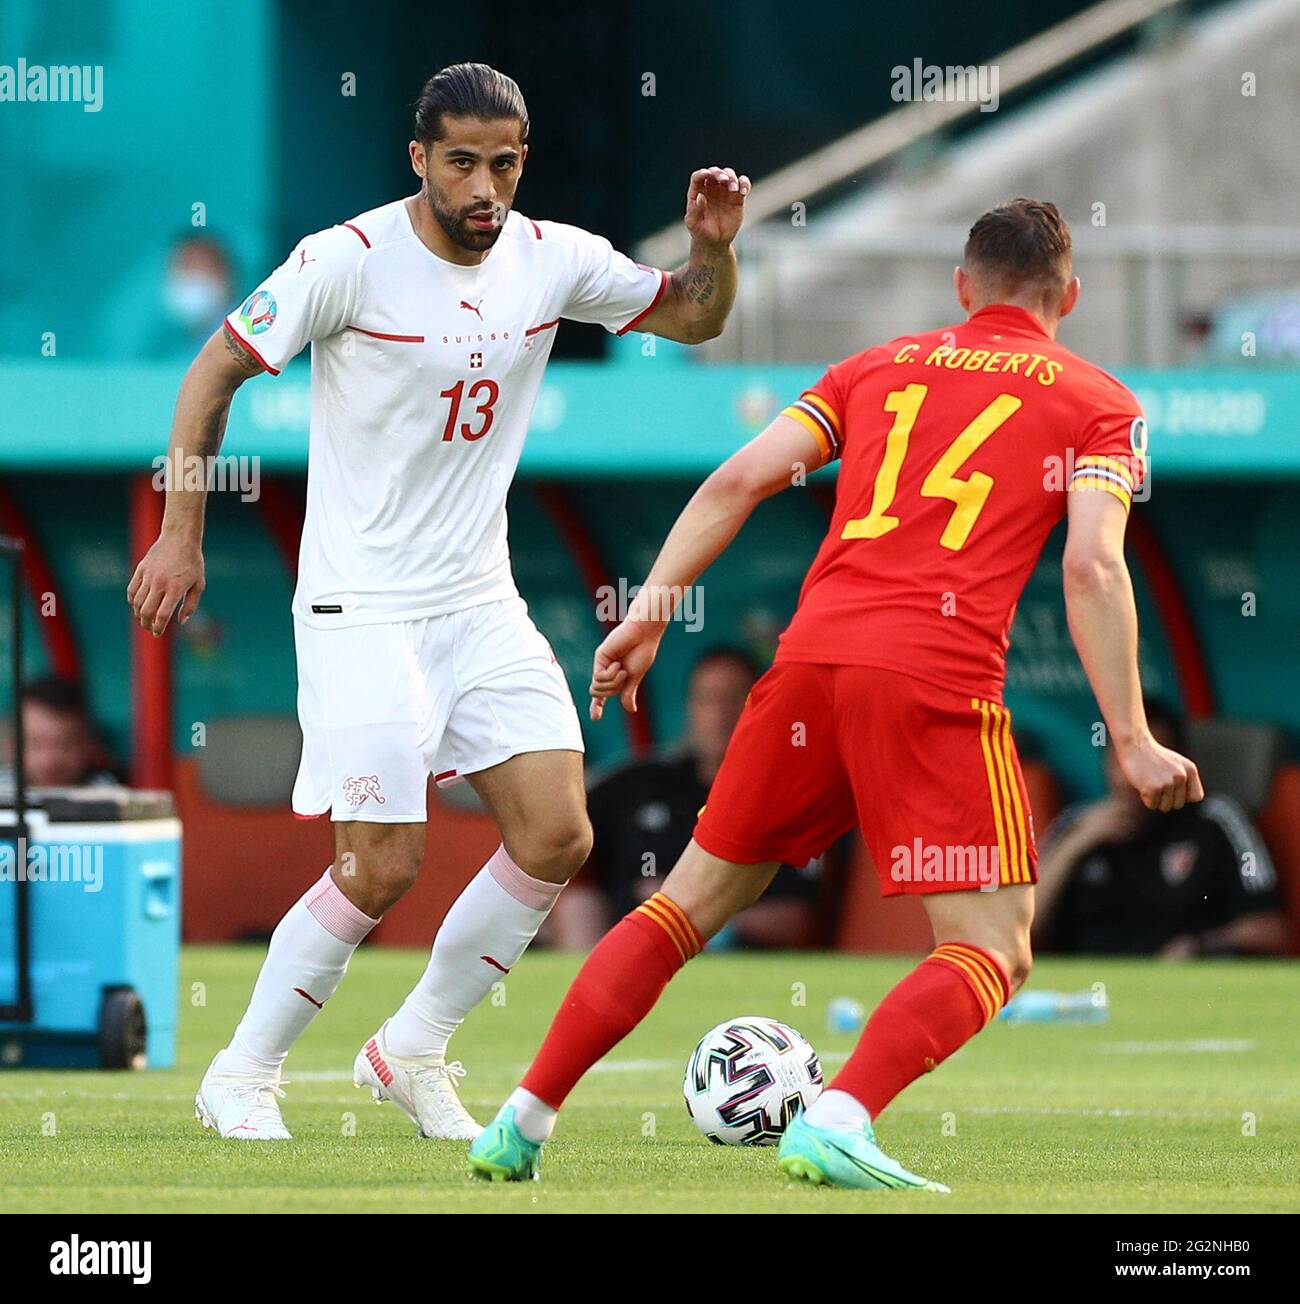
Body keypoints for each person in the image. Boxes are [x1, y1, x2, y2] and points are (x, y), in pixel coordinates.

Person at [468, 197, 1204, 1190]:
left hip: (808, 669)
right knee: (992, 949)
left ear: (960, 288)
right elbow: (1091, 569)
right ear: (1067, 295)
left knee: (683, 904)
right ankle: (843, 1113)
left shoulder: (875, 366)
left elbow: (735, 480)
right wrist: (1131, 736)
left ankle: (521, 1116)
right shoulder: (1099, 402)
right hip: (932, 682)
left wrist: (647, 612)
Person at [126, 62, 750, 1141]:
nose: (483, 187)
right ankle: (242, 1069)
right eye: (461, 161)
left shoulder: (551, 258)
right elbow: (210, 373)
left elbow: (694, 319)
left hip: (477, 598)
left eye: (503, 163)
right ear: (419, 157)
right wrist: (182, 529)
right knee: (383, 865)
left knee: (558, 832)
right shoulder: (344, 261)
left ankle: (412, 1048)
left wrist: (714, 249)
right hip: (359, 604)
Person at [550, 647, 822, 951]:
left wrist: (685, 913)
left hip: (732, 963)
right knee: (576, 902)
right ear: (690, 708)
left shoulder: (783, 795)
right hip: (624, 947)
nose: (720, 714)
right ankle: (583, 993)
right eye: (707, 699)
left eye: (734, 699)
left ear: (760, 708)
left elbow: (796, 922)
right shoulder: (644, 782)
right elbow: (562, 822)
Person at [1033, 701, 1289, 958]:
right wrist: (1076, 846)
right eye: (1122, 760)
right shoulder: (1077, 823)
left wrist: (1199, 947)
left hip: (1184, 985)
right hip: (1090, 988)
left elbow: (1272, 930)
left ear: (1179, 763)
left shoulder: (1216, 820)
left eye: (1151, 762)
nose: (1134, 776)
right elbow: (1023, 930)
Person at [13, 676, 121, 787]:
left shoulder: (107, 792)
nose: (49, 762)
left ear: (89, 744)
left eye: (65, 745)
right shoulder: (4, 790)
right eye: (36, 744)